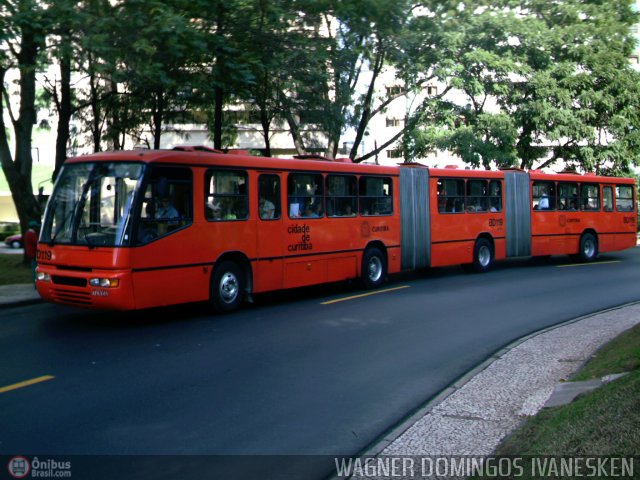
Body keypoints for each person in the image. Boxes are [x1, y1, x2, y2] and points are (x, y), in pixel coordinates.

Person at [24, 220, 40, 285]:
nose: (37, 228)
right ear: (34, 227)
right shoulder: (31, 234)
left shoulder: (27, 233)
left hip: (30, 253)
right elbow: (37, 242)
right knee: (35, 268)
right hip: (33, 254)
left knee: (34, 267)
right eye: (36, 227)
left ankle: (35, 282)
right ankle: (36, 282)